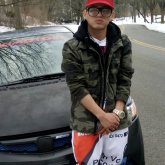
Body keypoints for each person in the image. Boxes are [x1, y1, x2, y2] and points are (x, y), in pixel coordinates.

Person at [61, 0, 135, 164]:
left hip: (116, 124)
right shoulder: (72, 47)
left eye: (105, 10)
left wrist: (116, 113)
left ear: (113, 15)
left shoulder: (123, 43)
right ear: (85, 13)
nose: (99, 14)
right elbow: (76, 86)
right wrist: (102, 116)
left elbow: (125, 77)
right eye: (94, 9)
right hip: (85, 125)